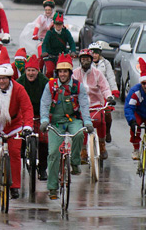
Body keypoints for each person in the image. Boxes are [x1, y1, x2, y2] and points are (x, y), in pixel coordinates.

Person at [0, 48, 33, 200]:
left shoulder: (19, 89)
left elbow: (27, 108)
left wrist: (28, 126)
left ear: (10, 78)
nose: (1, 81)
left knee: (15, 152)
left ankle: (15, 186)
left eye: (4, 78)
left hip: (13, 124)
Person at [39, 54, 92, 200]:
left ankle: (75, 162)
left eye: (66, 71)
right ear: (57, 73)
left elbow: (84, 105)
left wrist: (88, 123)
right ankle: (52, 188)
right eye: (60, 71)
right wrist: (44, 120)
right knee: (53, 153)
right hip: (56, 122)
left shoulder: (78, 86)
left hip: (73, 119)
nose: (63, 74)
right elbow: (44, 104)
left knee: (79, 134)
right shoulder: (50, 86)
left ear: (70, 72)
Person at [73, 49, 114, 162]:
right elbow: (70, 88)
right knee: (81, 126)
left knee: (101, 121)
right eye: (83, 59)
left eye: (87, 59)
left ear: (91, 60)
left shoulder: (97, 73)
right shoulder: (75, 73)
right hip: (81, 106)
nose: (85, 61)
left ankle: (101, 144)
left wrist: (109, 97)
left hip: (96, 105)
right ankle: (83, 150)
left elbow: (105, 87)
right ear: (80, 60)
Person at [16, 54, 50, 180]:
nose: (30, 73)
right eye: (28, 70)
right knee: (20, 133)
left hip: (40, 113)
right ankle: (23, 147)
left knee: (44, 141)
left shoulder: (44, 82)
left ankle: (42, 169)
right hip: (24, 113)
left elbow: (49, 99)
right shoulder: (20, 82)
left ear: (38, 71)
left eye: (33, 70)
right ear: (25, 71)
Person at [88, 42, 119, 142]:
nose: (94, 55)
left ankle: (107, 132)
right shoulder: (86, 64)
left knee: (107, 114)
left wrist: (114, 91)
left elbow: (110, 77)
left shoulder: (106, 64)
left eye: (96, 53)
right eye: (92, 53)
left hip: (104, 92)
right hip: (91, 93)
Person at [41, 12, 76, 78]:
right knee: (50, 71)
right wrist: (44, 52)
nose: (58, 26)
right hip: (50, 55)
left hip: (62, 55)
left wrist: (73, 51)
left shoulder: (66, 32)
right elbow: (45, 43)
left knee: (64, 70)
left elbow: (72, 42)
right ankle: (48, 84)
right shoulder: (50, 32)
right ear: (54, 24)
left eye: (60, 24)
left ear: (62, 24)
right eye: (57, 24)